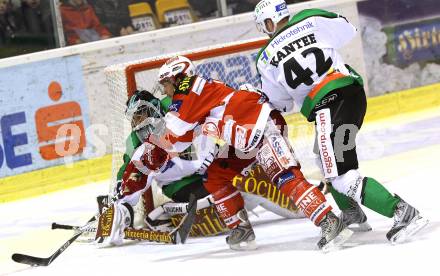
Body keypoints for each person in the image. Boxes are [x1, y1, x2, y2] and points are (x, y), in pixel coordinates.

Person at [253, 0, 428, 243]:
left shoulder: (265, 57)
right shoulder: (310, 18)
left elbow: (281, 103)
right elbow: (347, 29)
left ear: (269, 22)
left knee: (341, 175)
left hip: (329, 105)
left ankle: (402, 212)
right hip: (351, 94)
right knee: (325, 160)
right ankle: (352, 213)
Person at [144, 55, 353, 251]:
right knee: (215, 175)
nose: (165, 90)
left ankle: (329, 221)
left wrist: (150, 153)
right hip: (244, 135)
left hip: (261, 126)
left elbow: (174, 130)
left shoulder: (188, 88)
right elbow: (182, 138)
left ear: (178, 77)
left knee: (285, 176)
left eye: (165, 83)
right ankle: (241, 229)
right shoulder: (197, 92)